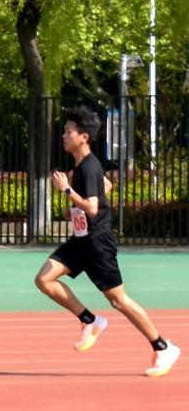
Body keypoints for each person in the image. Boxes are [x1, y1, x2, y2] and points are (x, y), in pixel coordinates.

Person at [35, 105, 180, 377]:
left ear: (83, 137)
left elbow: (92, 207)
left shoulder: (89, 167)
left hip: (97, 243)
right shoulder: (82, 166)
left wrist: (67, 191)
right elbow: (106, 188)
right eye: (64, 131)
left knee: (119, 300)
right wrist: (74, 209)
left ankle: (163, 347)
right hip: (81, 241)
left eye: (68, 131)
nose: (63, 135)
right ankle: (89, 320)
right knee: (44, 279)